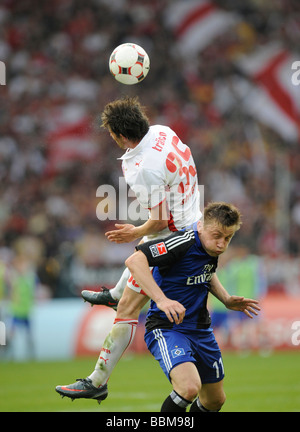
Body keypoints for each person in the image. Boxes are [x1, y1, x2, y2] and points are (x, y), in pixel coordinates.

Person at [56, 95, 202, 402]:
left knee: (128, 307)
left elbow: (159, 221)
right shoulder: (163, 131)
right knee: (137, 261)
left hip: (178, 242)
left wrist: (134, 230)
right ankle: (116, 293)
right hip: (191, 224)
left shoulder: (141, 168)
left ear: (121, 136)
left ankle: (97, 381)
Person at [125, 202, 260, 412]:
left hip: (201, 330)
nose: (222, 244)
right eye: (217, 235)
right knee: (189, 388)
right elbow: (135, 261)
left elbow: (206, 271)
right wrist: (161, 299)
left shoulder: (210, 248)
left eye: (228, 238)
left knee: (215, 400)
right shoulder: (182, 242)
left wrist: (225, 299)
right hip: (168, 327)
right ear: (200, 226)